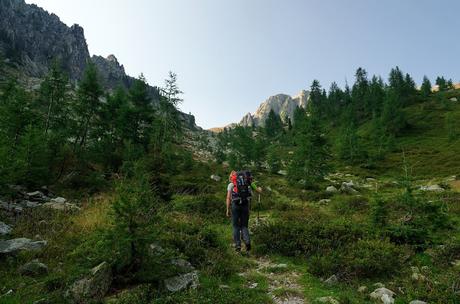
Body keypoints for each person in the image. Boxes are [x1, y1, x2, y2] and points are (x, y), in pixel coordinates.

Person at [226, 170, 262, 253]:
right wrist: (260, 189)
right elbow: (259, 191)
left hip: (235, 205)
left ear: (232, 177)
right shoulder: (248, 183)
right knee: (244, 226)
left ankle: (238, 245)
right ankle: (247, 242)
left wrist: (228, 209)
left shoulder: (231, 184)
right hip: (245, 205)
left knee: (235, 226)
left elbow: (228, 198)